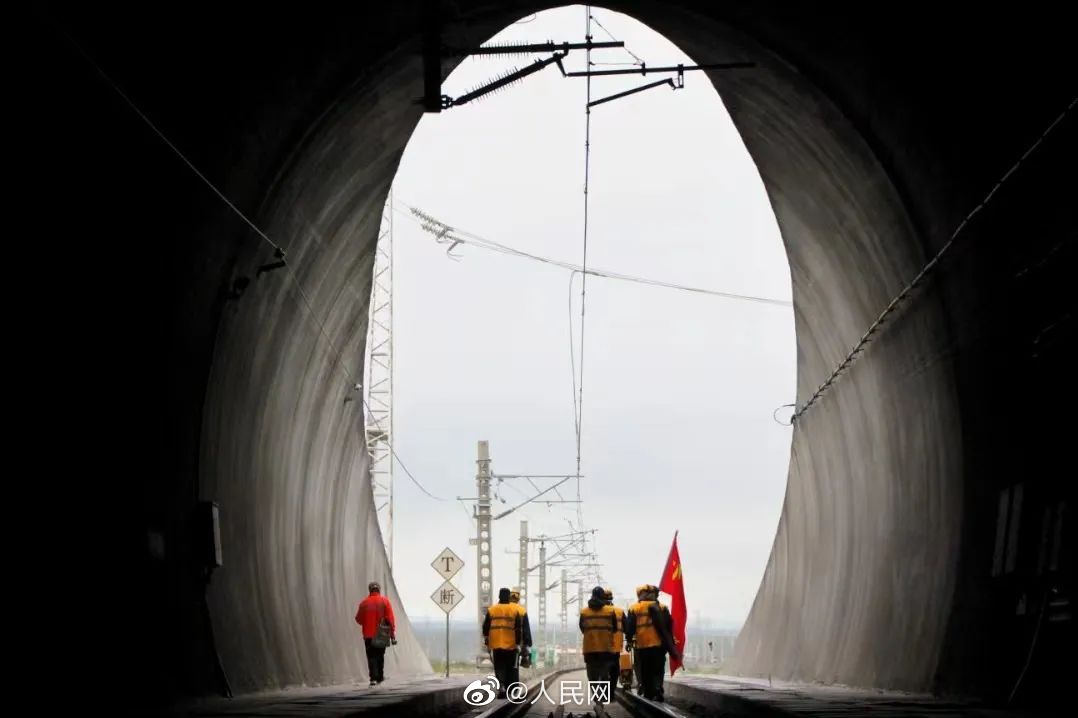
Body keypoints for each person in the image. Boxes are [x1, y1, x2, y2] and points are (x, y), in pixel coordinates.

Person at [624, 584, 679, 702]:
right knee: (658, 668)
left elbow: (630, 628)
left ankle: (648, 692)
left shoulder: (634, 608)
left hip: (643, 645)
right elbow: (669, 626)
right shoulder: (663, 607)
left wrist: (628, 641)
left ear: (640, 594)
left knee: (646, 669)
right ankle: (658, 688)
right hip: (660, 645)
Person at [579, 585, 618, 704]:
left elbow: (582, 628)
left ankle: (597, 700)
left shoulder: (584, 612)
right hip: (606, 649)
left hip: (589, 649)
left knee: (592, 677)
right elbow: (615, 628)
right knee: (604, 675)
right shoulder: (610, 611)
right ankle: (602, 698)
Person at [354, 581, 397, 687]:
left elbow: (358, 619)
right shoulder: (385, 601)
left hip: (368, 634)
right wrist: (392, 635)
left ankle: (373, 678)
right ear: (379, 590)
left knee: (371, 656)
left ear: (370, 590)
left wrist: (367, 621)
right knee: (380, 655)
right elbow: (390, 620)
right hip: (382, 633)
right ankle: (380, 677)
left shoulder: (364, 603)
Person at [483, 587, 522, 697]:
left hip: (496, 644)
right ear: (509, 597)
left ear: (499, 596)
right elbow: (518, 628)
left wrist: (486, 639)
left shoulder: (492, 610)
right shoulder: (515, 610)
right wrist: (518, 643)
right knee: (511, 667)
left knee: (499, 666)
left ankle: (502, 687)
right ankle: (511, 689)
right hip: (511, 644)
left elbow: (486, 627)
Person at [603, 588, 631, 692]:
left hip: (599, 647)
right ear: (611, 598)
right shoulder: (619, 611)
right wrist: (629, 641)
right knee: (614, 670)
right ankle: (611, 692)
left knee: (601, 671)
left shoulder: (594, 612)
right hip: (615, 647)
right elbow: (627, 628)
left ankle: (603, 692)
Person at [509, 588, 533, 668]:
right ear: (518, 599)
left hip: (501, 640)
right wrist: (528, 642)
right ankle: (524, 660)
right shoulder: (522, 610)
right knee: (523, 651)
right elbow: (526, 629)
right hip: (517, 641)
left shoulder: (503, 608)